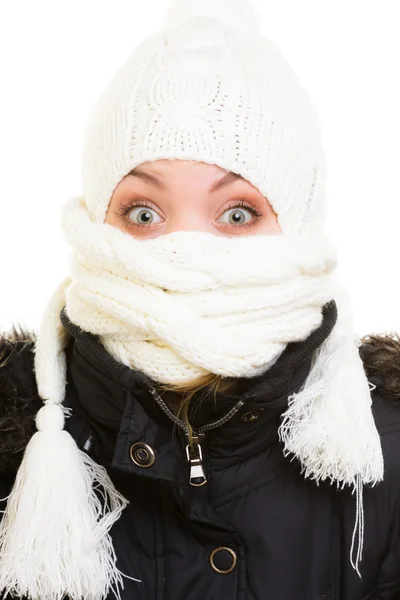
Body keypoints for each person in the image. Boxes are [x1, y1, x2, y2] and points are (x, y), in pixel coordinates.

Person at [1, 0, 400, 599]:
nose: (184, 250)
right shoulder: (16, 435)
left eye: (237, 214)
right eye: (143, 212)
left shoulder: (388, 445)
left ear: (300, 226)